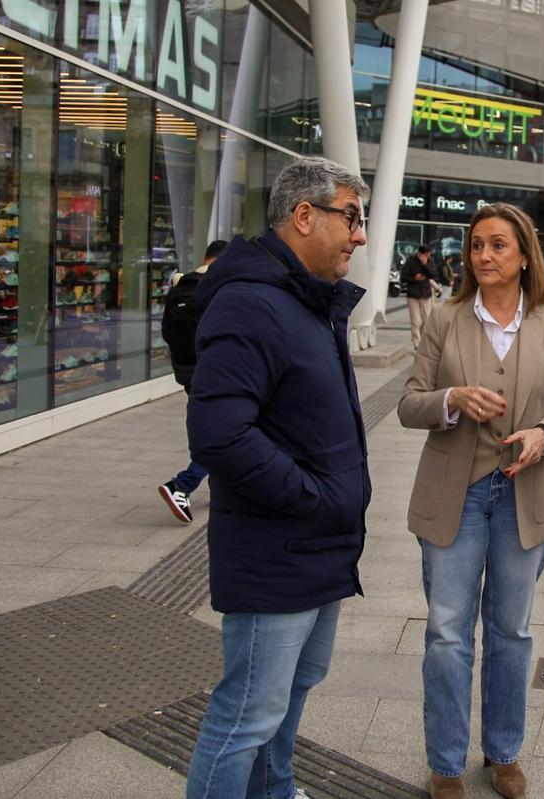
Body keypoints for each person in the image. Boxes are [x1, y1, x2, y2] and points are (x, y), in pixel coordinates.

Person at [184, 156, 372, 799]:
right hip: (277, 551)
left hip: (317, 548)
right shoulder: (250, 304)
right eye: (351, 217)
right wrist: (313, 498)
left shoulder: (304, 301)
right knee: (246, 716)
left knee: (289, 700)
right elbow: (220, 435)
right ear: (303, 216)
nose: (361, 235)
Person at [397, 202, 544, 799]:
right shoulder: (446, 320)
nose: (484, 256)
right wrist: (451, 399)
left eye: (498, 245)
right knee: (448, 633)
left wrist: (543, 434)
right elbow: (408, 403)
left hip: (525, 497)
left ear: (525, 255)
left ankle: (503, 754)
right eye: (477, 245)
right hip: (456, 494)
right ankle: (446, 763)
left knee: (512, 631)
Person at [156, 239, 227, 524]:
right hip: (214, 372)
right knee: (224, 435)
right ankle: (181, 486)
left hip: (186, 371)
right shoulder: (216, 288)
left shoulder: (181, 285)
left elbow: (167, 331)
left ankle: (219, 491)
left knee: (208, 428)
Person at [403, 244, 439, 348]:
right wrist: (414, 279)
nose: (429, 255)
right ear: (422, 253)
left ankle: (427, 343)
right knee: (415, 321)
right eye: (428, 254)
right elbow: (403, 277)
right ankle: (416, 344)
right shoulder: (410, 261)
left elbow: (433, 274)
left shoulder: (429, 261)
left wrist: (424, 264)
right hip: (413, 294)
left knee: (427, 319)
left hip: (425, 294)